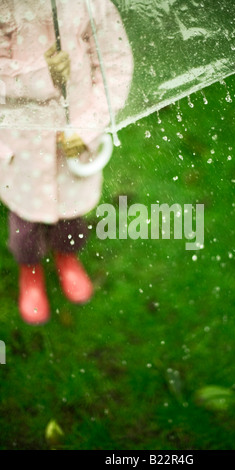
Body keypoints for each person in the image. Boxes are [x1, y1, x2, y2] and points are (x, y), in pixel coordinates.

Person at [0, 0, 133, 324]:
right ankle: (29, 271)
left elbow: (114, 62)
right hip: (21, 147)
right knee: (25, 229)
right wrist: (35, 73)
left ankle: (66, 257)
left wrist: (88, 126)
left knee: (72, 221)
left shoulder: (90, 4)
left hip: (72, 141)